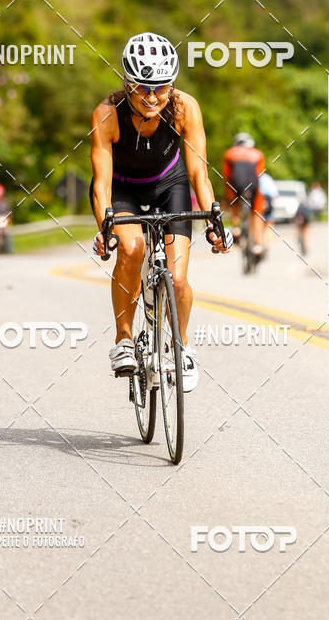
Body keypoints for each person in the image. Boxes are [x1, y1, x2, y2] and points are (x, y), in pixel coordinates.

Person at [90, 31, 232, 390]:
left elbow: (199, 173)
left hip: (170, 185)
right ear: (128, 84)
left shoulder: (185, 107)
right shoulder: (107, 114)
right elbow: (101, 184)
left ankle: (182, 347)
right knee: (132, 247)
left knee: (178, 278)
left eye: (161, 87)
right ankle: (124, 340)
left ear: (172, 84)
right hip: (122, 190)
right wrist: (105, 228)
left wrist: (214, 222)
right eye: (143, 88)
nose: (152, 96)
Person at [222, 133, 265, 256]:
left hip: (236, 184)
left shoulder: (229, 154)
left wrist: (229, 196)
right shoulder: (257, 154)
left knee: (234, 202)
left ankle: (236, 228)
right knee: (257, 212)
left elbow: (226, 175)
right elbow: (260, 174)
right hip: (253, 184)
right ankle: (257, 244)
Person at [259, 171, 278, 252]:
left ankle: (259, 243)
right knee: (268, 225)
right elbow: (275, 194)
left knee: (258, 223)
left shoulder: (252, 176)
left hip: (258, 202)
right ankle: (266, 244)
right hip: (268, 203)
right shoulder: (268, 178)